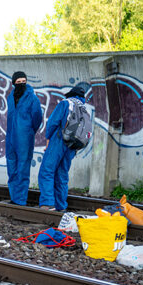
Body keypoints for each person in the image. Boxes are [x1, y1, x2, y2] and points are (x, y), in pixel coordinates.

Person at [38, 82, 90, 211]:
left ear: (71, 95)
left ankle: (48, 203)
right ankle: (61, 206)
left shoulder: (66, 103)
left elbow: (52, 122)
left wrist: (48, 138)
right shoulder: (84, 109)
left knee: (46, 171)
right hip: (72, 145)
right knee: (62, 175)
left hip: (59, 140)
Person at [5, 71, 43, 205]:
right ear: (14, 83)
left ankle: (20, 200)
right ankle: (14, 197)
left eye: (23, 81)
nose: (21, 83)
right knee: (11, 168)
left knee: (22, 169)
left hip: (24, 138)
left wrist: (28, 131)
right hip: (10, 138)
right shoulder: (11, 97)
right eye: (18, 81)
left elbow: (38, 117)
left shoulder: (32, 98)